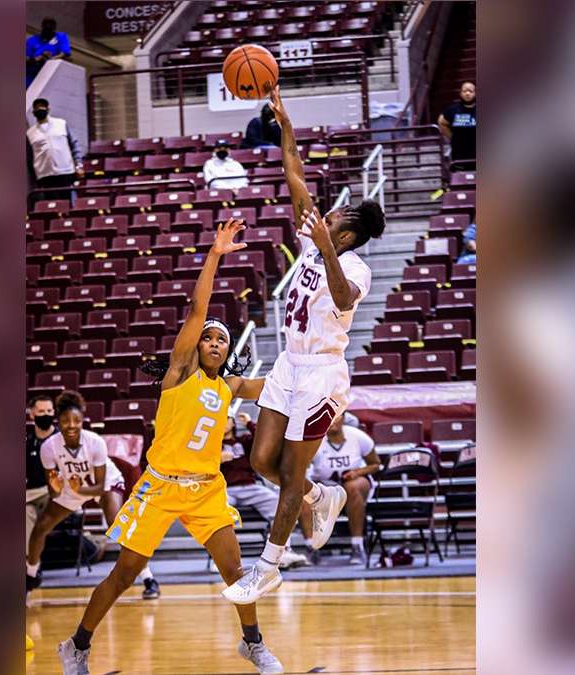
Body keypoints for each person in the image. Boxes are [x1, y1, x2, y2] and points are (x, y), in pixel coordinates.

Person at [58, 218, 285, 675]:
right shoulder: (180, 373)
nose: (214, 342)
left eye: (222, 340)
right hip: (159, 487)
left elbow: (278, 384)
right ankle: (76, 645)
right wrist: (215, 255)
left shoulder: (230, 386)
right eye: (208, 338)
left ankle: (253, 643)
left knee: (236, 572)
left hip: (206, 490)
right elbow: (198, 309)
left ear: (228, 351)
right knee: (124, 574)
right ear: (195, 346)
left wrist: (319, 366)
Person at [222, 85, 385, 605]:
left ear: (346, 237)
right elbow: (294, 173)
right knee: (262, 460)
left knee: (290, 473)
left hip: (322, 373)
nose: (324, 217)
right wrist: (285, 124)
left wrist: (325, 250)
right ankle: (321, 496)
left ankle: (268, 567)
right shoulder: (316, 241)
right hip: (288, 364)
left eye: (333, 219)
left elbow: (342, 296)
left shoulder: (355, 266)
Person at [28, 390, 160, 602]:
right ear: (58, 422)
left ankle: (148, 579)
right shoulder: (49, 448)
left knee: (117, 526)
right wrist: (56, 486)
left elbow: (99, 487)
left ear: (82, 421)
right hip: (72, 488)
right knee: (41, 527)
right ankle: (30, 576)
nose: (71, 425)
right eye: (66, 421)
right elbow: (54, 493)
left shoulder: (95, 442)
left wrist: (77, 489)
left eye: (76, 421)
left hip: (105, 483)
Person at [220, 417, 308, 569]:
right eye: (221, 419)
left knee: (279, 505)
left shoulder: (244, 441)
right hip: (224, 489)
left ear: (233, 422)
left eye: (227, 419)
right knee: (218, 511)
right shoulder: (211, 445)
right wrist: (216, 459)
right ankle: (223, 559)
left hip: (250, 487)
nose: (224, 422)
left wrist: (249, 423)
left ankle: (282, 552)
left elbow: (265, 441)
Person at [299, 414, 382, 566]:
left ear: (343, 418)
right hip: (324, 486)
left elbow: (376, 465)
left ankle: (357, 546)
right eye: (328, 417)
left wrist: (357, 472)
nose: (332, 420)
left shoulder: (358, 437)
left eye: (336, 416)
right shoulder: (313, 441)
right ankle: (311, 547)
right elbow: (301, 467)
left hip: (355, 483)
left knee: (352, 487)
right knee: (302, 493)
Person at [26, 395, 56, 599]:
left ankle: (31, 568)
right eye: (41, 412)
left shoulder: (61, 439)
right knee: (25, 513)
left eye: (49, 411)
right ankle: (32, 566)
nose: (46, 415)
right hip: (32, 494)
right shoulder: (27, 442)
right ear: (32, 414)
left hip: (56, 493)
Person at [27, 98, 83, 200]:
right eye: (37, 108)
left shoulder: (61, 124)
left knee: (67, 203)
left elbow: (74, 145)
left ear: (48, 108)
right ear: (33, 112)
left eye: (42, 107)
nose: (40, 109)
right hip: (45, 175)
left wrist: (78, 165)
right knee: (51, 205)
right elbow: (30, 158)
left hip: (65, 171)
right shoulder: (30, 133)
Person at [437, 82, 476, 170]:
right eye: (464, 91)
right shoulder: (452, 109)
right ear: (460, 93)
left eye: (470, 91)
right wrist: (452, 137)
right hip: (459, 155)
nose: (467, 93)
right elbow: (441, 122)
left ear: (475, 93)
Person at [26, 18, 71, 85]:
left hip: (50, 74)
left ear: (54, 29)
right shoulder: (32, 40)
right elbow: (26, 57)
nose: (47, 33)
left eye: (50, 30)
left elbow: (65, 53)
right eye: (45, 30)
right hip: (32, 74)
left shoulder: (61, 36)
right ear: (42, 28)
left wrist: (50, 59)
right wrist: (36, 59)